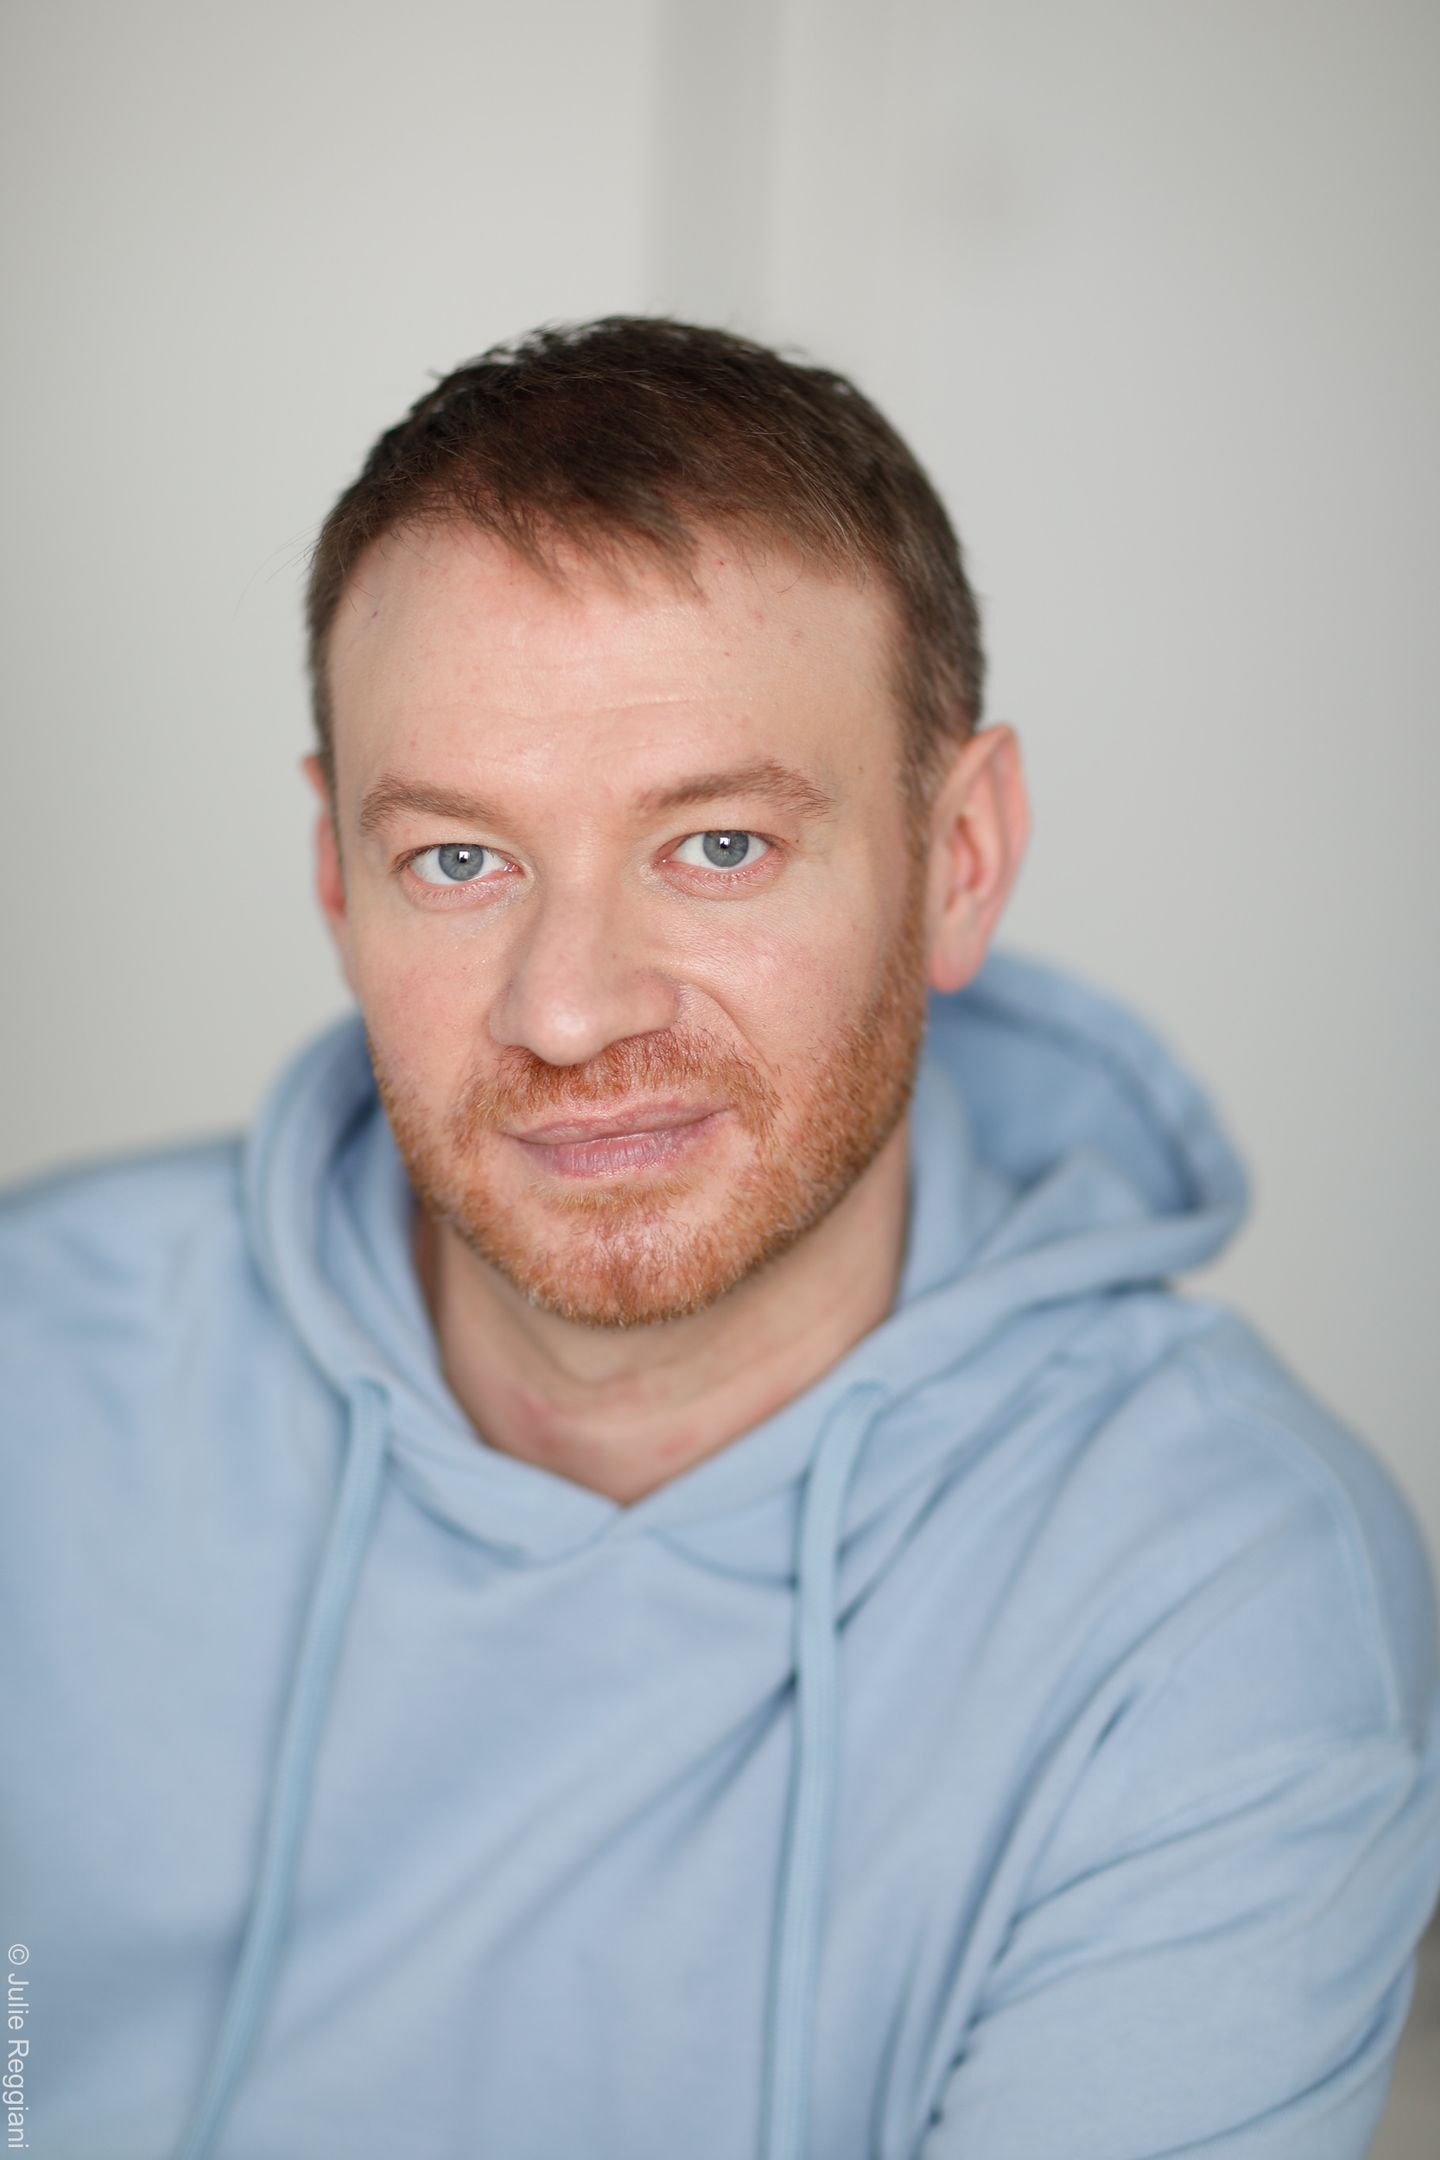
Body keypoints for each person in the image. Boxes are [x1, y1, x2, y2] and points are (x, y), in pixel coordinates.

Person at [3, 316, 1438, 2160]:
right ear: (335, 879)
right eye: (458, 859)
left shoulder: (1213, 1599)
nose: (571, 1010)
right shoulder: (39, 1378)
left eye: (721, 847)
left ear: (961, 857)